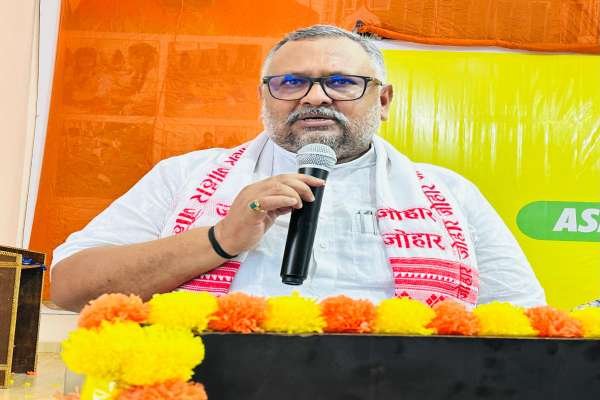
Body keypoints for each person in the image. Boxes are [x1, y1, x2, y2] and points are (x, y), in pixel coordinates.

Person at [51, 25, 546, 312]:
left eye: (341, 82)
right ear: (264, 98)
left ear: (383, 101)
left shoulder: (449, 193)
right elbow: (71, 287)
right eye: (290, 83)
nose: (314, 97)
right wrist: (219, 240)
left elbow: (520, 320)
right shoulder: (184, 176)